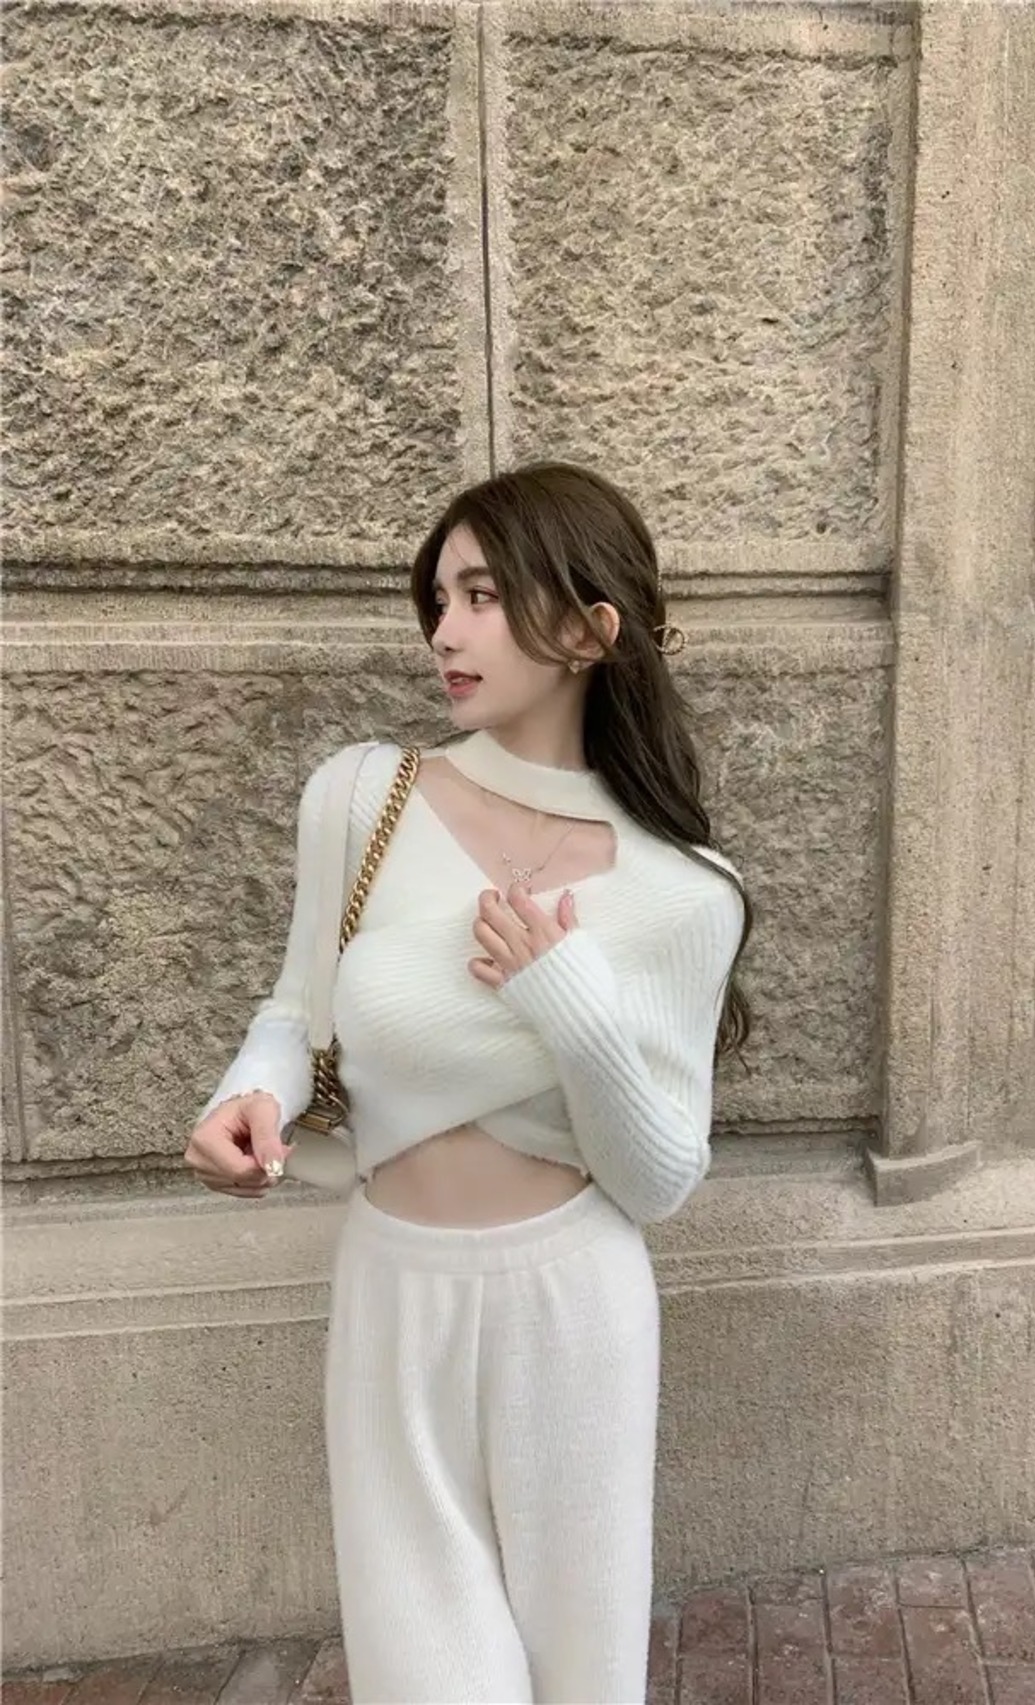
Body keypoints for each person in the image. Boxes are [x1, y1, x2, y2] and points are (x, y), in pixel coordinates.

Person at [183, 461, 752, 1705]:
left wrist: (567, 1001)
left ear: (590, 630)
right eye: (439, 598)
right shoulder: (364, 796)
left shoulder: (684, 894)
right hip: (392, 1290)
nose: (446, 630)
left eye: (484, 595)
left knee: (579, 1674)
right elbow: (297, 1008)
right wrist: (250, 1094)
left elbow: (659, 1177)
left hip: (572, 1304)